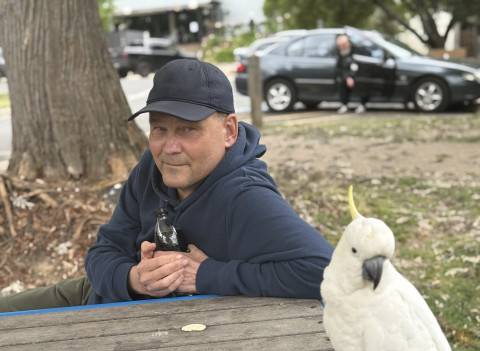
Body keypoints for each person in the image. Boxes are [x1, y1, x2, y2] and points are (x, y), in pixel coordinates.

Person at [0, 59, 333, 314]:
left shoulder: (245, 196)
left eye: (188, 130)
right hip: (103, 294)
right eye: (159, 128)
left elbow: (326, 274)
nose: (169, 147)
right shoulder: (152, 166)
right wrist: (135, 278)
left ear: (229, 131)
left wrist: (207, 276)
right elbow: (103, 252)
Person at [335, 34, 367, 114]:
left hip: (359, 75)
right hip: (346, 76)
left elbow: (361, 65)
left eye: (343, 45)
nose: (342, 47)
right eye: (340, 45)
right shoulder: (340, 54)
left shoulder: (357, 51)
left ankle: (362, 104)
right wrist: (347, 77)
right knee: (342, 83)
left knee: (363, 82)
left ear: (348, 43)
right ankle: (344, 105)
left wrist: (352, 76)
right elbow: (340, 68)